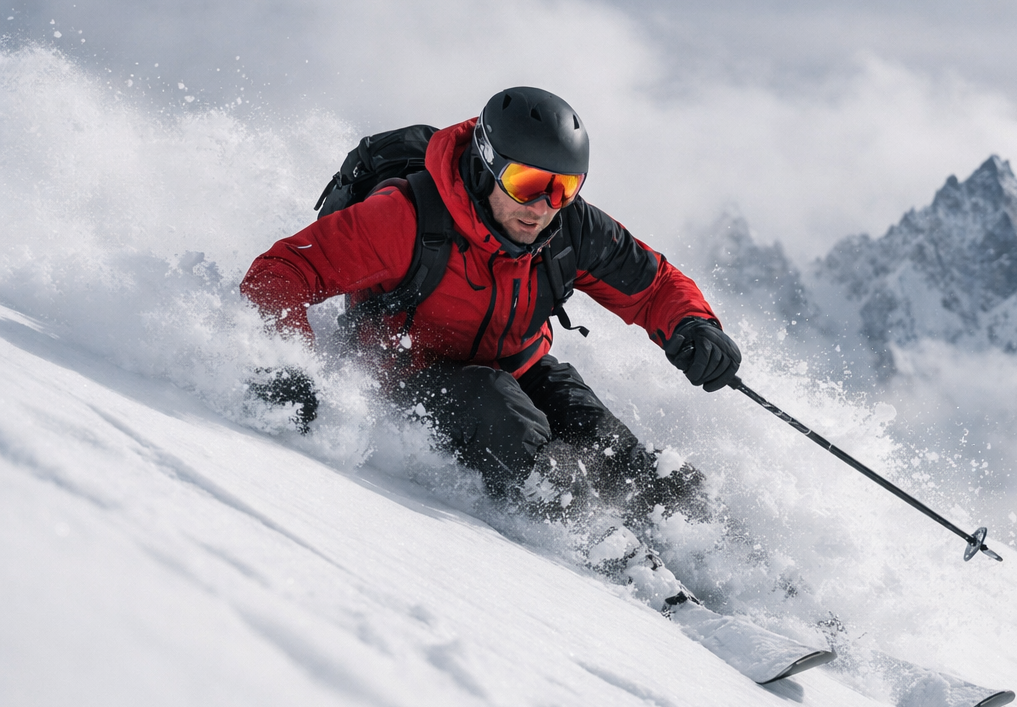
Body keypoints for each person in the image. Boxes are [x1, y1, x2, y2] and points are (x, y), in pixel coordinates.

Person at [240, 86, 742, 521]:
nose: (542, 206)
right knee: (504, 414)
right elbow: (282, 272)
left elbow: (653, 286)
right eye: (527, 183)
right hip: (412, 384)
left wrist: (695, 327)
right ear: (487, 164)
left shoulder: (569, 227)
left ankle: (720, 555)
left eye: (563, 188)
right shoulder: (406, 219)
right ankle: (597, 543)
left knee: (616, 454)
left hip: (520, 366)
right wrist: (288, 363)